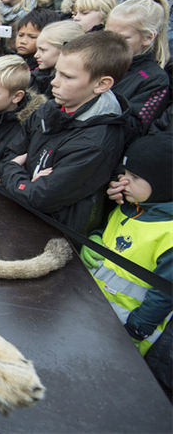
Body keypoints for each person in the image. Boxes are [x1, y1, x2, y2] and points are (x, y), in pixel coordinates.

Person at [1, 31, 132, 235]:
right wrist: (23, 179)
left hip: (54, 232)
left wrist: (14, 174)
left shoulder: (97, 142)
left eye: (67, 77)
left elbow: (39, 197)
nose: (54, 81)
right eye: (57, 72)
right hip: (20, 215)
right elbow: (9, 154)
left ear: (101, 84)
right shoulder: (48, 109)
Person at [80, 132, 173, 392]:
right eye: (125, 173)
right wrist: (95, 238)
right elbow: (112, 240)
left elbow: (164, 294)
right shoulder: (129, 208)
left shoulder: (169, 232)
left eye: (134, 177)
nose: (123, 182)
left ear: (164, 184)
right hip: (93, 313)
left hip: (125, 331)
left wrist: (136, 330)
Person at [105, 0, 171, 140]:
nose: (111, 42)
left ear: (148, 38)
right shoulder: (99, 59)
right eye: (108, 34)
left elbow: (135, 128)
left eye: (123, 38)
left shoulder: (155, 79)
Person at [31, 20, 86, 96]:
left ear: (64, 50)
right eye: (37, 49)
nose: (36, 55)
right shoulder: (37, 75)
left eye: (42, 50)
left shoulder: (67, 87)